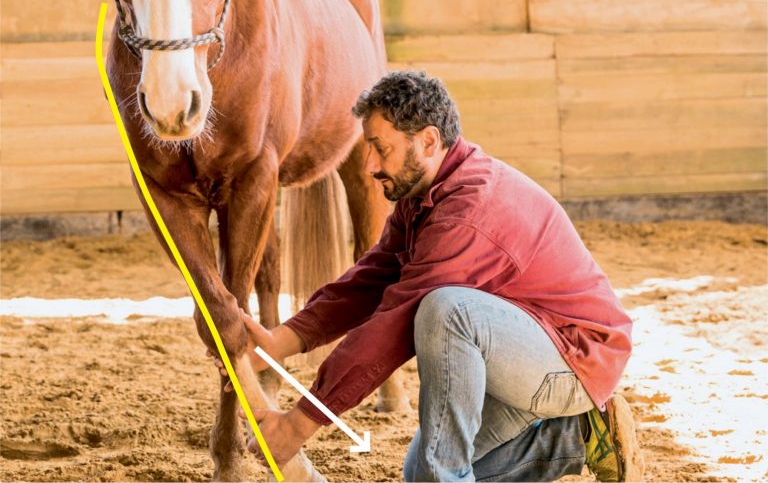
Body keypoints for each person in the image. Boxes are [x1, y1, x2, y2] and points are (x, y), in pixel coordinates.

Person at [213, 70, 644, 481]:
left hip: (573, 359)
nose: (369, 165)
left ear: (429, 140)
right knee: (423, 473)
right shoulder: (425, 192)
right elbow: (373, 278)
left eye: (381, 148)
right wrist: (281, 341)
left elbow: (395, 321)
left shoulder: (468, 211)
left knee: (445, 311)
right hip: (524, 348)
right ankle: (580, 437)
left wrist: (299, 424)